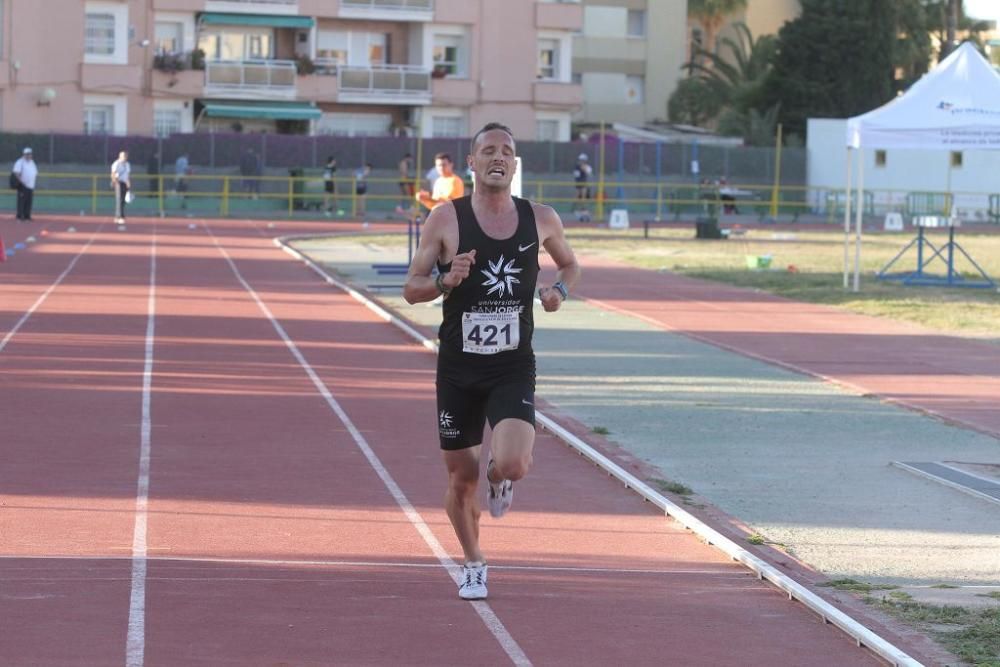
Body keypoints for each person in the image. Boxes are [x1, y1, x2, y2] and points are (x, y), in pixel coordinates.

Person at [403, 122, 580, 601]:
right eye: (488, 150)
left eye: (507, 150)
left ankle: (499, 479)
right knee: (461, 478)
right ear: (473, 163)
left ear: (515, 164)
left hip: (511, 364)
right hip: (458, 368)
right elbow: (411, 288)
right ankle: (474, 562)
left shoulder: (540, 217)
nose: (498, 157)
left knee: (513, 462)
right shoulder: (444, 220)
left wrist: (558, 291)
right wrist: (445, 281)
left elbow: (569, 263)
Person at [12, 147, 38, 222]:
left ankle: (27, 216)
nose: (29, 155)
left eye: (30, 154)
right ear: (24, 154)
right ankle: (20, 216)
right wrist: (21, 182)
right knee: (22, 201)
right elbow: (16, 173)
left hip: (31, 185)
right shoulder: (20, 162)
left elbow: (35, 172)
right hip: (23, 185)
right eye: (27, 154)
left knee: (28, 201)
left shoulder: (32, 162)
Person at [111, 150, 131, 227]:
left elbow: (128, 175)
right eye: (123, 156)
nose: (125, 157)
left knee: (123, 200)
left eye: (125, 156)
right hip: (118, 182)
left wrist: (128, 183)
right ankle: (120, 216)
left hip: (125, 183)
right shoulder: (116, 164)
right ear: (120, 156)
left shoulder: (127, 164)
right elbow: (113, 173)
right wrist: (114, 181)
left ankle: (118, 216)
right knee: (119, 199)